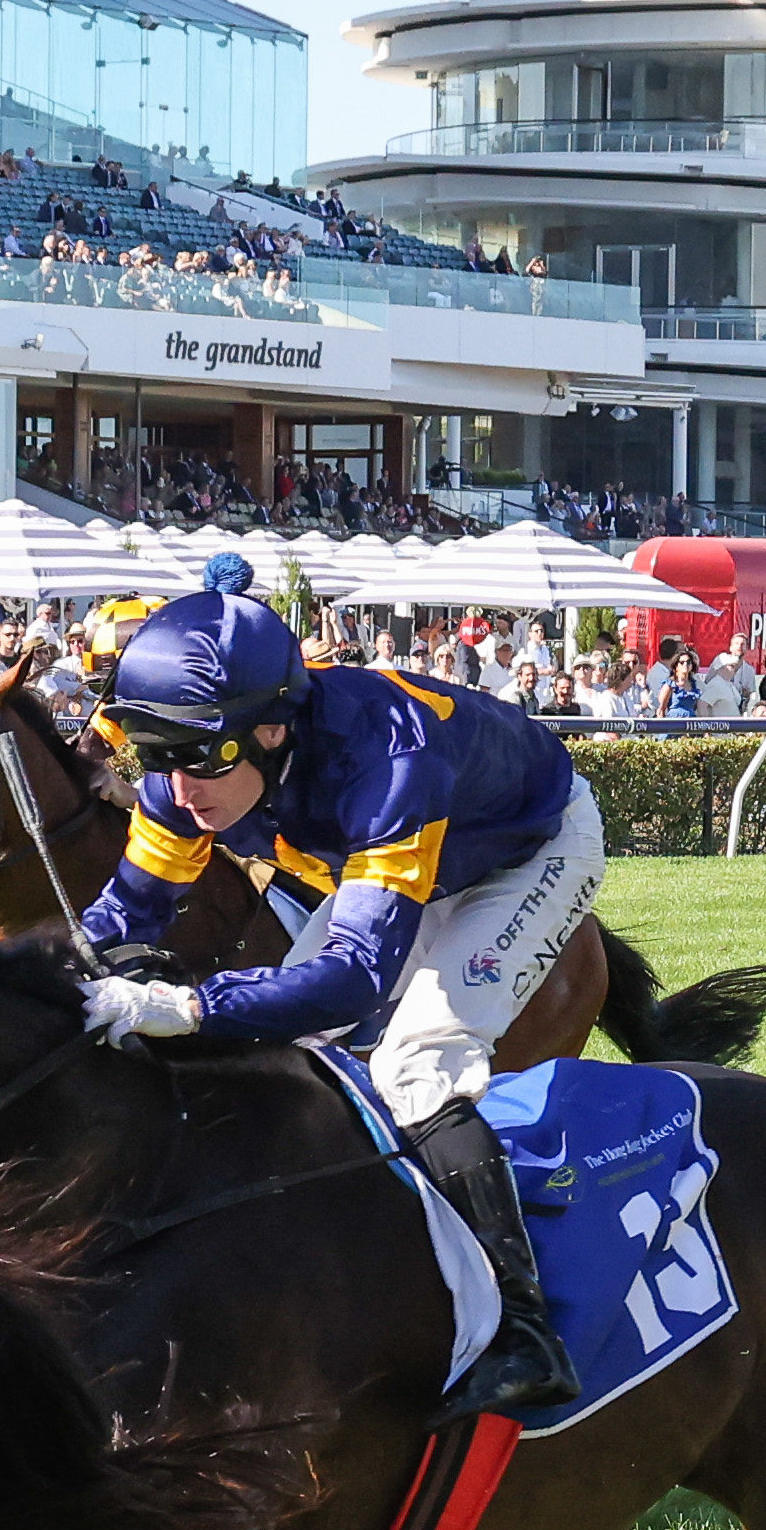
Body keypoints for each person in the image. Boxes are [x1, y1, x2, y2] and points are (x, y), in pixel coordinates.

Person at [66, 582, 598, 1422]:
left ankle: (522, 1330)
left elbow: (355, 978)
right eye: (153, 752)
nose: (176, 783)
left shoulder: (385, 757)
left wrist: (194, 1007)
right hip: (409, 859)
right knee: (283, 1052)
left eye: (201, 756)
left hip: (525, 851)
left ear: (273, 729)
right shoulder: (184, 778)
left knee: (418, 1063)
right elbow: (124, 914)